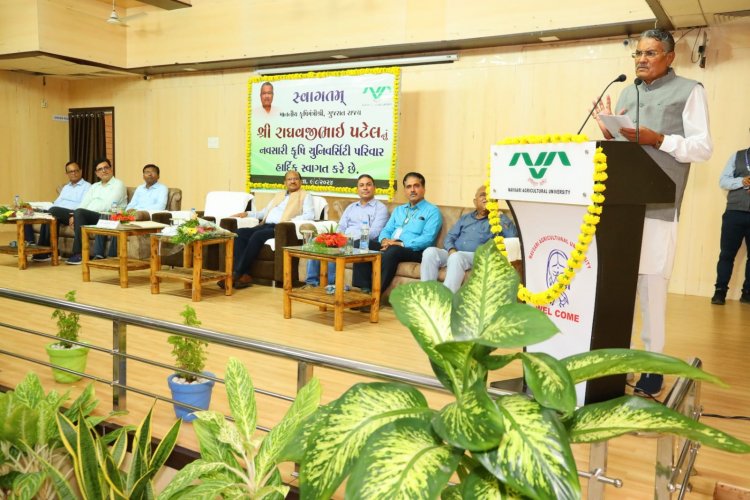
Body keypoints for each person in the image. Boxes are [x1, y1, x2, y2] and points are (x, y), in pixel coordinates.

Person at [593, 28, 713, 396]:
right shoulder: (628, 92)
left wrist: (658, 139)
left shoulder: (690, 91)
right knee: (618, 287)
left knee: (651, 288)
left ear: (670, 57)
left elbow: (702, 148)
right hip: (622, 206)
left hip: (659, 205)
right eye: (638, 54)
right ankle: (620, 363)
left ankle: (652, 368)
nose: (641, 59)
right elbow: (628, 150)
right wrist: (610, 129)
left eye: (650, 53)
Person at [352, 172, 442, 303]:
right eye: (408, 186)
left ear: (424, 189)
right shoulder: (399, 210)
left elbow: (427, 238)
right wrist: (384, 240)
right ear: (404, 190)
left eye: (416, 186)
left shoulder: (432, 211)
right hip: (391, 245)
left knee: (393, 251)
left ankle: (374, 297)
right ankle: (364, 290)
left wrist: (400, 244)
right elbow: (386, 230)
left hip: (415, 250)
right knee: (360, 243)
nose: (412, 190)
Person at [218, 170, 314, 289]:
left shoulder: (305, 196)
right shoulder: (279, 195)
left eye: (295, 179)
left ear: (301, 181)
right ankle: (245, 275)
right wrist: (246, 213)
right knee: (239, 233)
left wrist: (290, 220)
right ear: (285, 182)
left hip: (281, 228)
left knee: (257, 235)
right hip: (265, 225)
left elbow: (309, 215)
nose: (293, 181)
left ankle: (237, 273)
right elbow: (264, 212)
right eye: (289, 179)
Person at [420, 185, 517, 293]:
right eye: (482, 195)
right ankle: (426, 295)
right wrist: (451, 250)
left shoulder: (497, 219)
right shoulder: (465, 218)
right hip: (455, 253)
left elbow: (513, 237)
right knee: (430, 252)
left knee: (456, 258)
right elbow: (450, 237)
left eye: (490, 196)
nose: (486, 198)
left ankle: (446, 301)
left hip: (477, 256)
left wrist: (500, 216)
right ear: (475, 202)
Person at [304, 174, 389, 289]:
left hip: (362, 242)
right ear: (357, 189)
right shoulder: (351, 207)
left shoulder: (380, 208)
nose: (365, 188)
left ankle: (332, 285)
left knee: (335, 247)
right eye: (361, 185)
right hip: (343, 238)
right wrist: (336, 237)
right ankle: (311, 283)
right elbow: (341, 227)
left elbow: (374, 233)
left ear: (374, 188)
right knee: (316, 241)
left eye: (368, 185)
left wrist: (348, 238)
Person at [94, 163, 168, 258]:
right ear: (143, 176)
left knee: (117, 221)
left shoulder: (162, 188)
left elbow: (160, 207)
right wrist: (129, 210)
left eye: (153, 172)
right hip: (132, 215)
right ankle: (98, 254)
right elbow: (131, 204)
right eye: (147, 172)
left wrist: (138, 212)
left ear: (158, 176)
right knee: (106, 216)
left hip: (144, 217)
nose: (149, 174)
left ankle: (112, 255)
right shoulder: (140, 188)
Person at [66, 158, 127, 265]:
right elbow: (83, 204)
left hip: (109, 216)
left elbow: (108, 205)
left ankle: (79, 253)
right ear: (96, 173)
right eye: (100, 169)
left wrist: (82, 212)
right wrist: (74, 215)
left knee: (80, 213)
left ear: (111, 169)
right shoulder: (94, 186)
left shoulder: (118, 184)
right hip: (95, 216)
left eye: (106, 168)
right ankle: (82, 254)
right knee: (77, 212)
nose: (104, 171)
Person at [710, 147, 750, 306]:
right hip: (734, 213)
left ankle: (747, 293)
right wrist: (741, 181)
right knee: (726, 254)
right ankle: (720, 292)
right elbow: (723, 181)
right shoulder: (737, 156)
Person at [30, 161, 91, 262]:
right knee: (48, 213)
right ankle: (47, 251)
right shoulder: (66, 187)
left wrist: (73, 215)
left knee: (53, 211)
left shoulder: (87, 186)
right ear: (66, 174)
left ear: (81, 171)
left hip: (74, 213)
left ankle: (46, 252)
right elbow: (57, 203)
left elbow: (84, 205)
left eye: (76, 171)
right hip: (59, 213)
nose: (74, 173)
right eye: (70, 172)